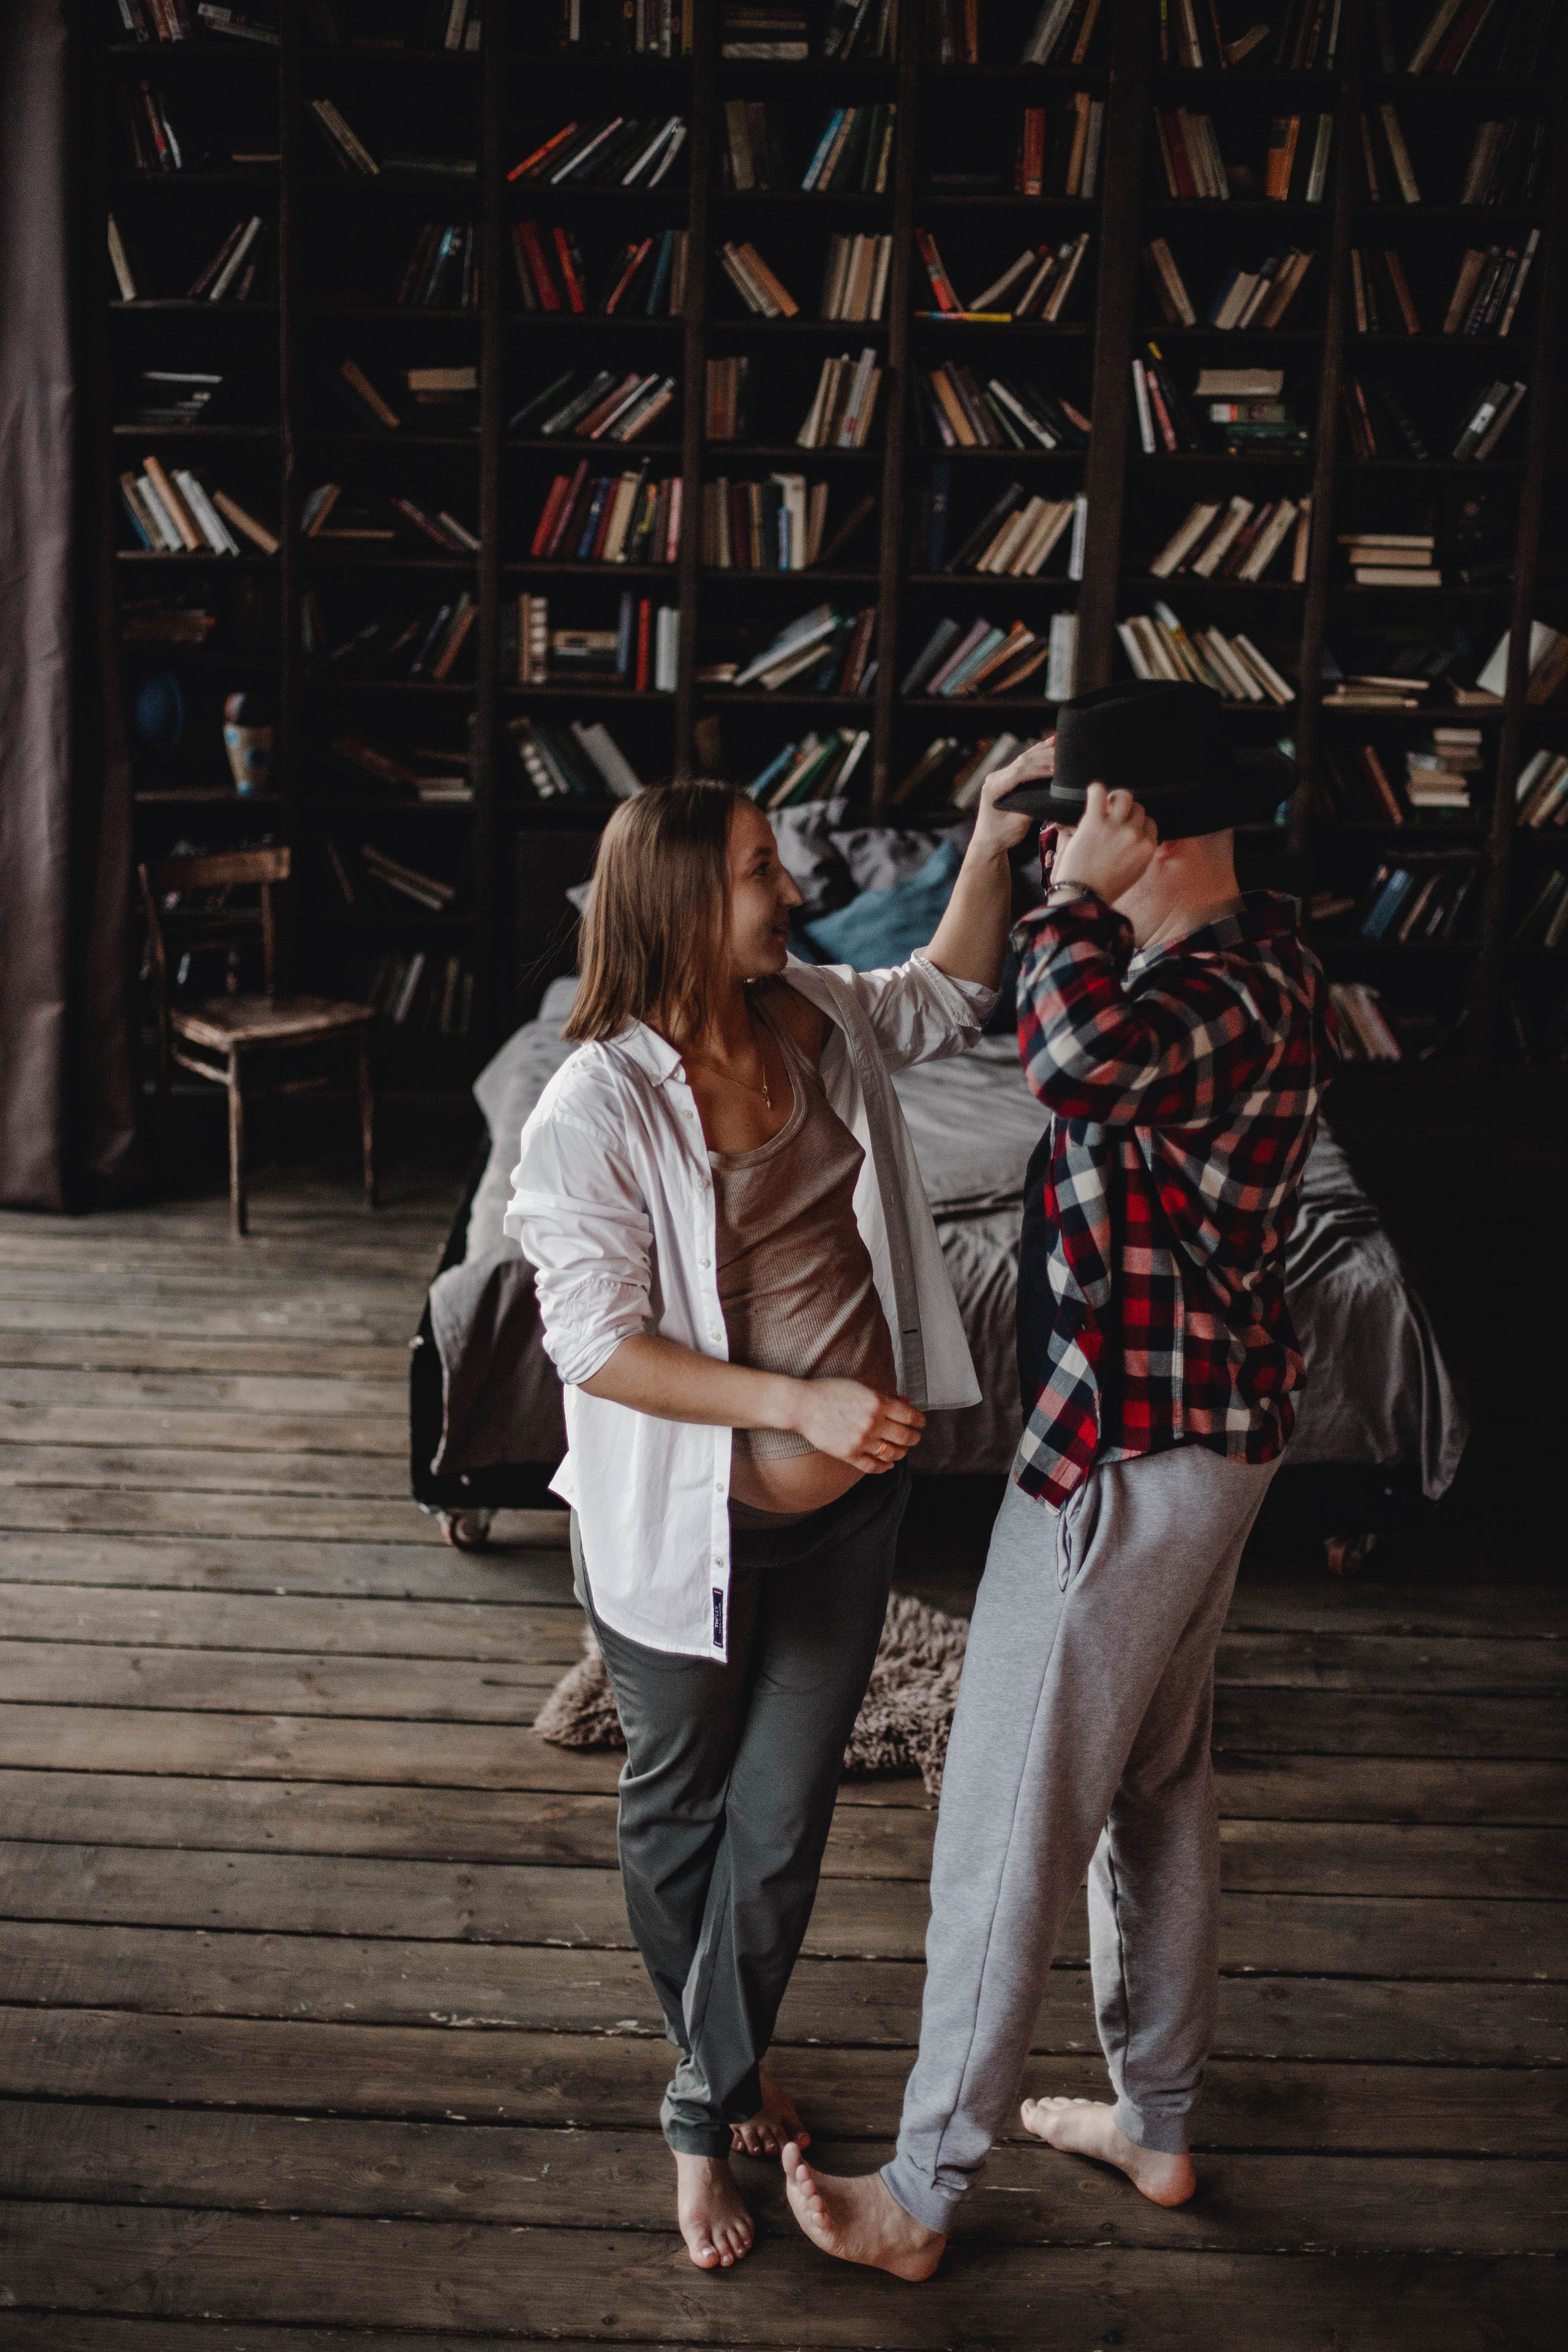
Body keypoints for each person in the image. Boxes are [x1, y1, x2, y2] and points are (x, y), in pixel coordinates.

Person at [781, 677, 1340, 2277]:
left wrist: (1077, 898)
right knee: (1155, 1786)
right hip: (1194, 1435)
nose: (1050, 858)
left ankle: (919, 2191)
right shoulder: (1237, 964)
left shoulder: (1215, 982)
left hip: (1130, 1459)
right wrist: (1027, 857)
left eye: (1074, 820)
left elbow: (1080, 1062)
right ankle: (1156, 2121)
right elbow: (1079, 1042)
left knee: (1004, 1815)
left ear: (1134, 823)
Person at [505, 769, 1033, 2272]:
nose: (787, 891)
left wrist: (992, 844)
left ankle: (709, 2086)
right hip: (692, 1537)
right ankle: (715, 2100)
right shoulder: (593, 1104)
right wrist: (792, 1407)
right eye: (757, 871)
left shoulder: (813, 1014)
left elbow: (940, 993)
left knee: (780, 1825)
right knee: (682, 1811)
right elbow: (594, 1343)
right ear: (679, 899)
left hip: (850, 1522)